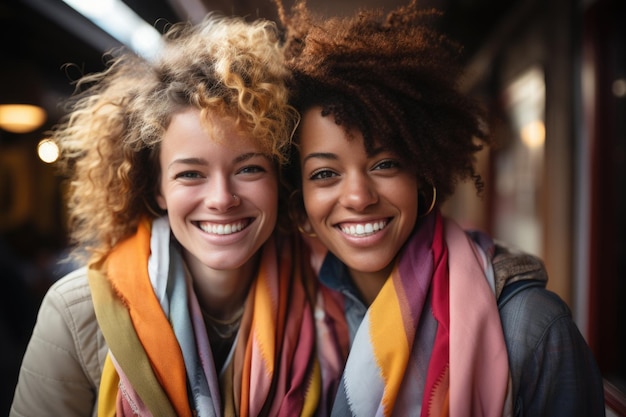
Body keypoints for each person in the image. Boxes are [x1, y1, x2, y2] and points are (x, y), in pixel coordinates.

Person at [275, 1, 606, 416]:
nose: (359, 197)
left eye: (385, 164)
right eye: (325, 174)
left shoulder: (531, 327)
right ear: (300, 202)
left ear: (422, 176)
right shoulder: (291, 318)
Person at [10, 13, 328, 417]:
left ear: (279, 178)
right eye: (191, 174)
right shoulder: (77, 312)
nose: (221, 198)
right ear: (156, 187)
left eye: (249, 168)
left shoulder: (329, 297)